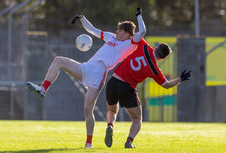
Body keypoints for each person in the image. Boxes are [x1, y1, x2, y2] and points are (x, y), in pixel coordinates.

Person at [26, 8, 146, 148]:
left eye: (120, 30)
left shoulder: (129, 44)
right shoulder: (111, 36)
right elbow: (92, 30)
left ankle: (88, 144)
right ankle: (43, 89)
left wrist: (139, 16)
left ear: (126, 34)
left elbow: (142, 31)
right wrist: (82, 18)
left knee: (87, 109)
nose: (117, 31)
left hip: (99, 75)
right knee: (59, 60)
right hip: (86, 67)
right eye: (118, 29)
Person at [104, 39, 191, 148]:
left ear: (156, 48)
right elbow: (167, 85)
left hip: (113, 81)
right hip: (127, 88)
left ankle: (110, 125)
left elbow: (136, 35)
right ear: (163, 57)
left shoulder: (144, 46)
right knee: (137, 120)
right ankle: (129, 142)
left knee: (112, 110)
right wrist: (181, 79)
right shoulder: (154, 69)